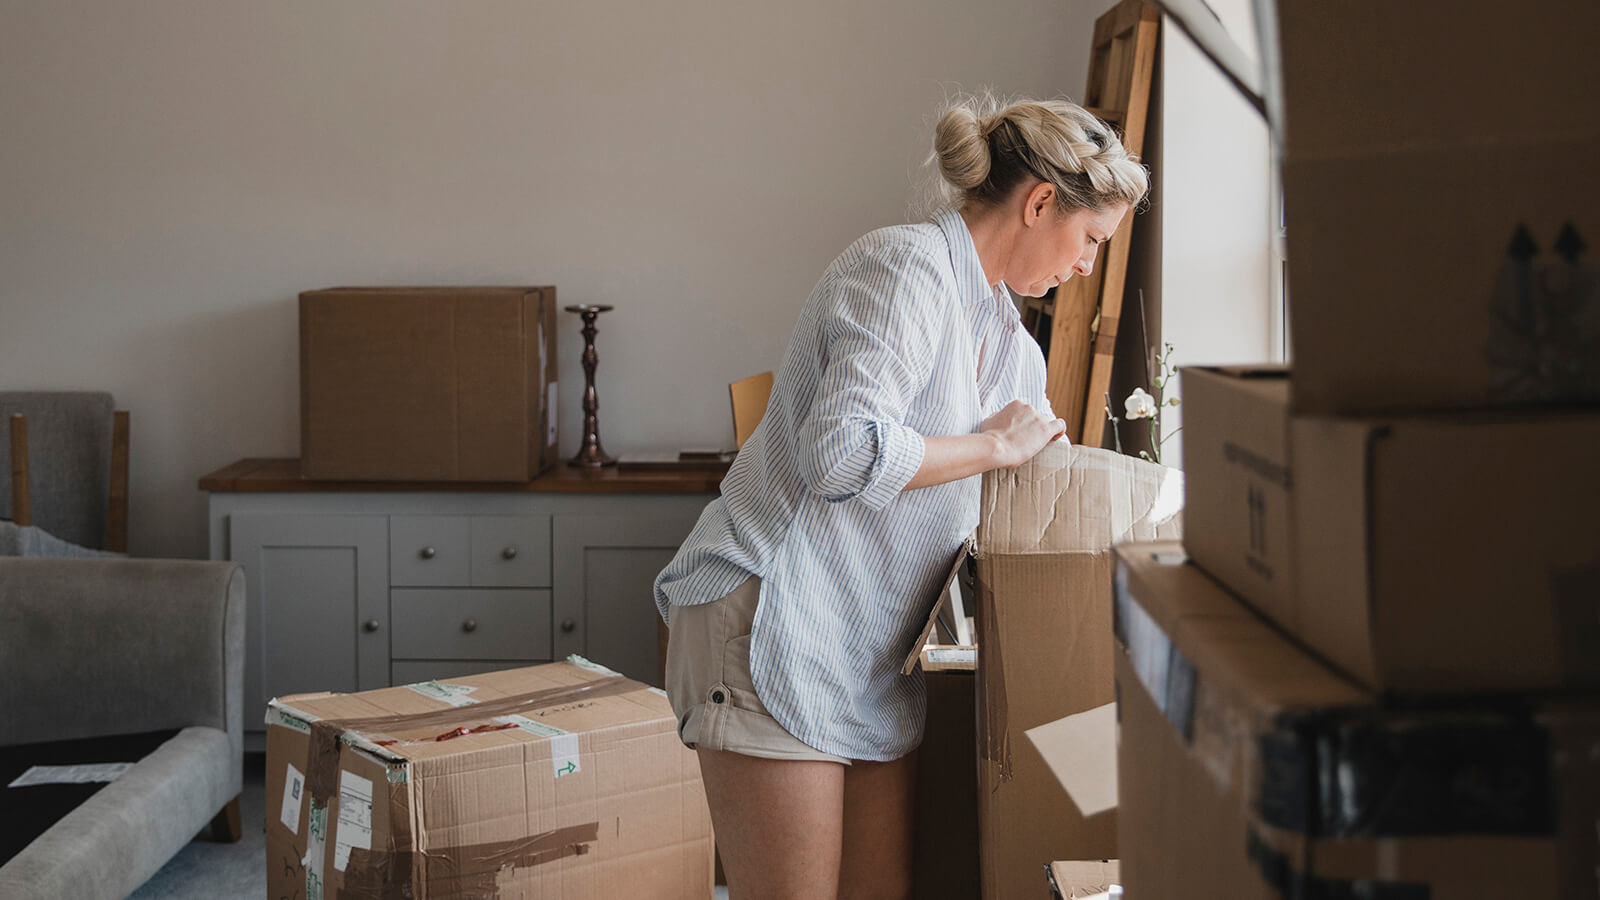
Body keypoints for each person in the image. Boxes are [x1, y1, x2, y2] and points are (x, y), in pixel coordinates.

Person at [654, 93, 1149, 899]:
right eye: (1091, 239)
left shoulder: (1010, 346)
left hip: (866, 644)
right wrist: (993, 446)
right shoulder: (903, 269)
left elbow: (1009, 493)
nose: (1088, 265)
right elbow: (840, 453)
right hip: (775, 619)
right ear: (1040, 203)